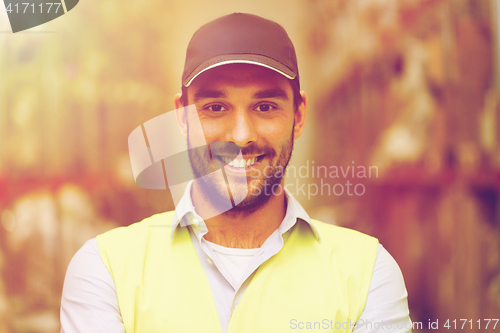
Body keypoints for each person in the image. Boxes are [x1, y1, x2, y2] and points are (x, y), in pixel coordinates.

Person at [60, 13, 412, 333]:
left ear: (299, 115)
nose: (241, 135)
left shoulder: (367, 275)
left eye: (265, 106)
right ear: (181, 118)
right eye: (215, 107)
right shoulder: (106, 270)